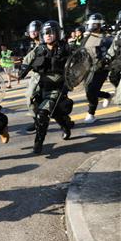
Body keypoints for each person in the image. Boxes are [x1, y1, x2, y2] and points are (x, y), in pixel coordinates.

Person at [18, 20, 74, 154]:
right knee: (52, 113)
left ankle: (38, 144)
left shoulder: (66, 48)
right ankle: (65, 124)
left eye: (51, 33)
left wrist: (70, 81)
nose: (48, 35)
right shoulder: (39, 49)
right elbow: (26, 63)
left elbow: (79, 64)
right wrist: (23, 70)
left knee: (43, 114)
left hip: (57, 88)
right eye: (45, 33)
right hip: (41, 87)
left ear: (57, 34)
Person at [83, 13, 113, 123]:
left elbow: (111, 55)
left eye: (95, 24)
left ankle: (91, 113)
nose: (93, 26)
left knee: (92, 91)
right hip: (88, 69)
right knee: (89, 92)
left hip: (101, 70)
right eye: (92, 24)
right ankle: (107, 95)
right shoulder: (86, 38)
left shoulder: (106, 39)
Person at [23, 20, 43, 132]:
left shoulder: (48, 42)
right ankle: (37, 122)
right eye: (32, 31)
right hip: (37, 75)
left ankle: (65, 121)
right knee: (30, 98)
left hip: (51, 74)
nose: (34, 33)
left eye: (36, 31)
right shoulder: (33, 45)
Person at [105, 10, 121, 105]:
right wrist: (106, 59)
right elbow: (112, 50)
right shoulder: (119, 35)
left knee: (118, 100)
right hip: (118, 63)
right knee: (112, 76)